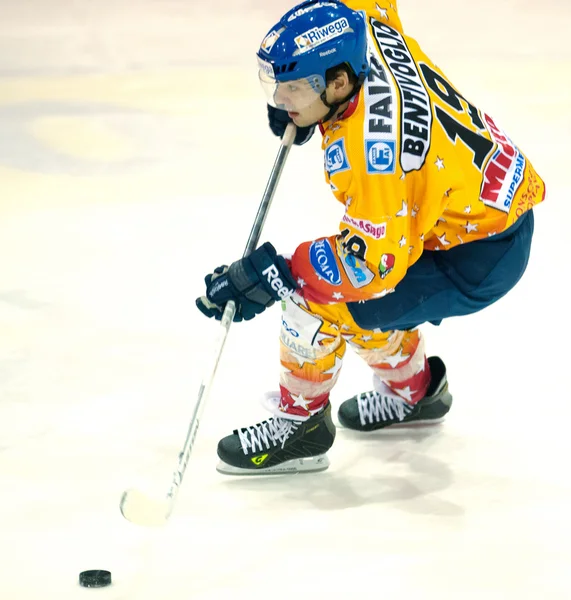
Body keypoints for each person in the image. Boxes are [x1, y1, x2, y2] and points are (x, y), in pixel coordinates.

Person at [196, 0, 545, 475]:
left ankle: (301, 428)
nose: (280, 99)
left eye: (293, 88)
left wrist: (277, 275)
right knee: (357, 301)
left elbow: (370, 268)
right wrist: (305, 107)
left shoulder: (374, 154)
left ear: (339, 83)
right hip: (476, 210)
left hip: (477, 256)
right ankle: (416, 394)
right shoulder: (362, 23)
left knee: (317, 298)